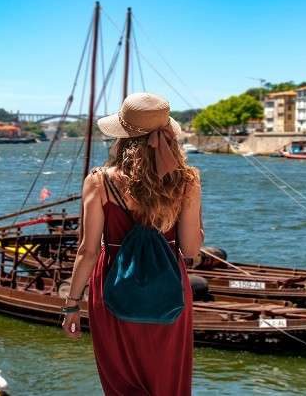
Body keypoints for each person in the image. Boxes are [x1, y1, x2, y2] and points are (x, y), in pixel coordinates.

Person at [61, 92, 203, 395]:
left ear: (122, 135)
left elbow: (88, 250)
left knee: (121, 382)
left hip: (113, 284)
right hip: (169, 289)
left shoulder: (99, 181)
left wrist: (72, 305)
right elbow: (191, 250)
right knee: (167, 383)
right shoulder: (187, 181)